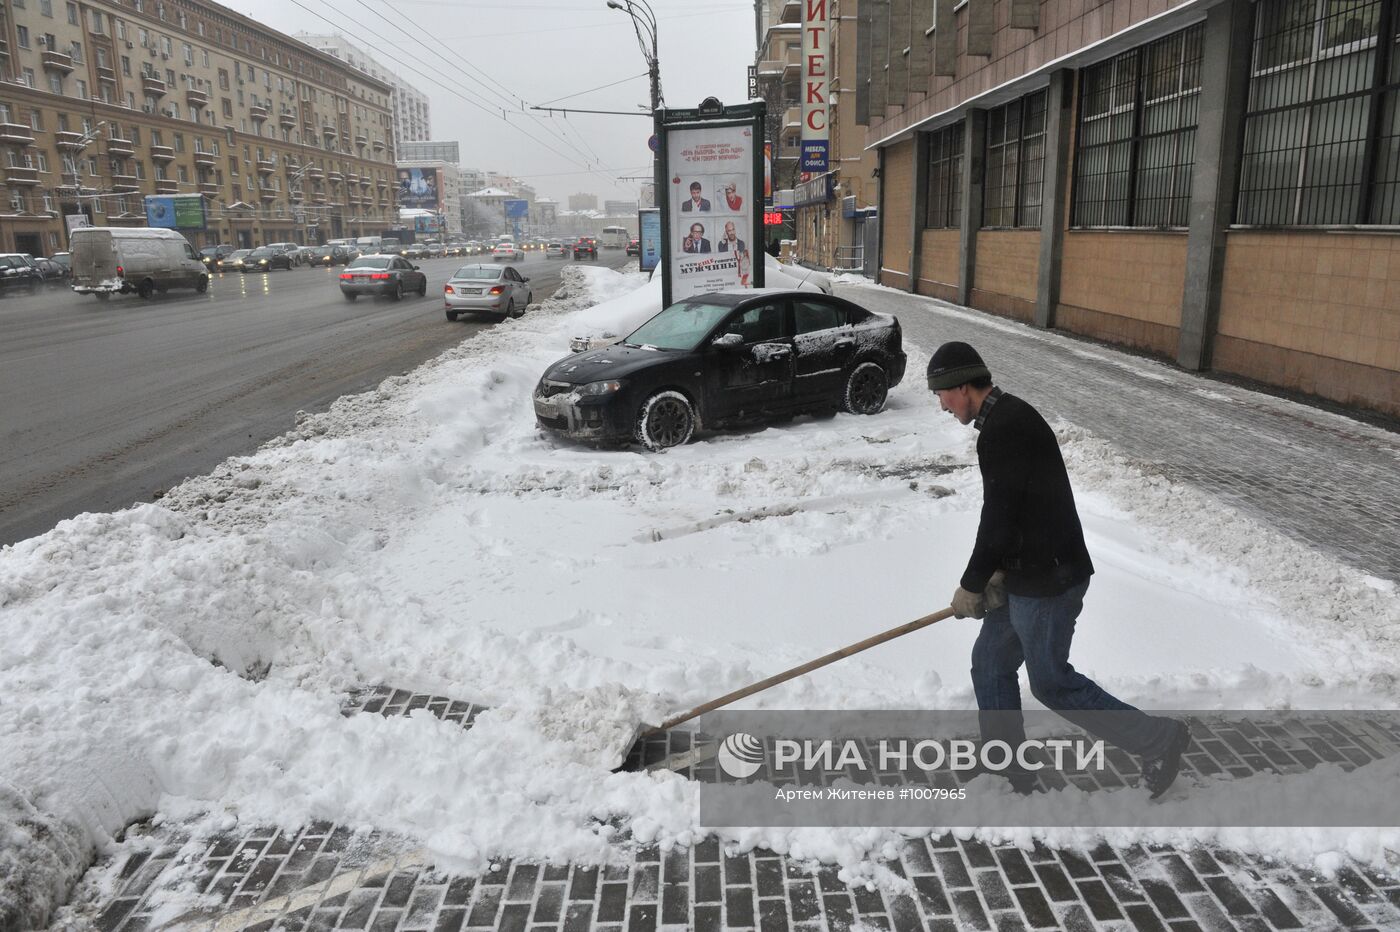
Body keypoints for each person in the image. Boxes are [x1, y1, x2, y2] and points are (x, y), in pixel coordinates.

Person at [928, 342, 1190, 798]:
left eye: (943, 394)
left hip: (1048, 582)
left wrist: (973, 583)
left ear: (965, 386)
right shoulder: (1006, 419)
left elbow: (1000, 516)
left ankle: (1160, 741)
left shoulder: (1004, 429)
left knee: (1051, 683)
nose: (941, 404)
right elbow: (1018, 511)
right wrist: (996, 572)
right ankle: (1006, 768)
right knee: (990, 662)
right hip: (1027, 573)